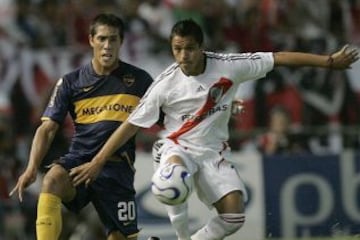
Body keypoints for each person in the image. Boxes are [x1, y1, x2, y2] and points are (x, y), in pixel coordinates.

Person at [66, 19, 359, 240]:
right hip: (175, 147)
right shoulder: (164, 85)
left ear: (201, 47)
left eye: (189, 49)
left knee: (234, 217)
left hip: (212, 152)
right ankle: (180, 232)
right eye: (177, 49)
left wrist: (329, 62)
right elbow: (129, 125)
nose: (183, 56)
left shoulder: (229, 67)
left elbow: (278, 57)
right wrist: (98, 161)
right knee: (172, 182)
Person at [9, 13, 153, 240]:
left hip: (116, 170)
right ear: (91, 40)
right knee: (52, 179)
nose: (107, 46)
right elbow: (47, 129)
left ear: (121, 42)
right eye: (102, 39)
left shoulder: (140, 81)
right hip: (79, 162)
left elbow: (162, 117)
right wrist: (31, 167)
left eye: (113, 39)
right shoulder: (71, 82)